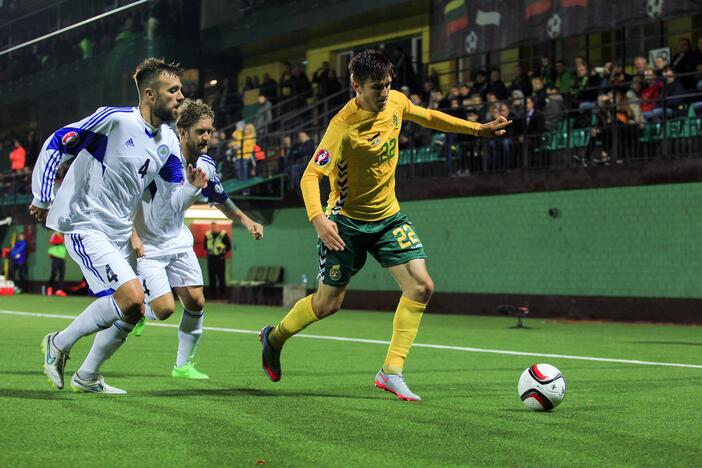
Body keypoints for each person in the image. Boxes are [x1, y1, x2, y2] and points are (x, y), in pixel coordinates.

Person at [258, 49, 511, 401]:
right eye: (377, 87)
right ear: (355, 87)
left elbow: (430, 117)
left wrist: (476, 129)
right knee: (328, 304)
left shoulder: (396, 103)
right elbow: (310, 176)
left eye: (388, 85)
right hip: (344, 223)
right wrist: (318, 219)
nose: (384, 93)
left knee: (422, 286)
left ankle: (391, 371)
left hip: (388, 217)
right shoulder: (342, 126)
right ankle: (274, 338)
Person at [30, 58, 203, 394]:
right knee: (133, 297)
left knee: (135, 309)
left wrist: (193, 185)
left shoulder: (167, 139)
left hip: (120, 233)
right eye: (173, 90)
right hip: (85, 224)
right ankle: (58, 343)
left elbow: (169, 200)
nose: (181, 96)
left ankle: (87, 376)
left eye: (181, 89)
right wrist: (42, 195)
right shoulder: (115, 121)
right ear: (150, 95)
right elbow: (57, 141)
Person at [131, 98, 263, 379]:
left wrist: (246, 220)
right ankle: (140, 308)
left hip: (177, 239)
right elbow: (134, 196)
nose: (206, 137)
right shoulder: (162, 157)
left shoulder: (206, 165)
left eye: (209, 131)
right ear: (183, 132)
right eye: (200, 131)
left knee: (196, 301)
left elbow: (220, 199)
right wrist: (131, 234)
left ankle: (183, 365)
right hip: (149, 242)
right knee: (164, 309)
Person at [205, 221, 231, 298]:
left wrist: (222, 252)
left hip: (220, 258)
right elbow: (205, 246)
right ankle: (212, 295)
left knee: (221, 276)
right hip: (211, 258)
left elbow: (228, 246)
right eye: (212, 227)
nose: (213, 228)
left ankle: (223, 294)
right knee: (211, 277)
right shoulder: (207, 235)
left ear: (217, 227)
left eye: (214, 226)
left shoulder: (223, 234)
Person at [46, 230, 67, 296]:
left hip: (62, 257)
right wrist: (62, 240)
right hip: (54, 256)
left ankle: (59, 290)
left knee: (62, 274)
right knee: (54, 273)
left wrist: (63, 239)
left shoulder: (65, 236)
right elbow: (51, 242)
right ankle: (49, 287)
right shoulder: (55, 234)